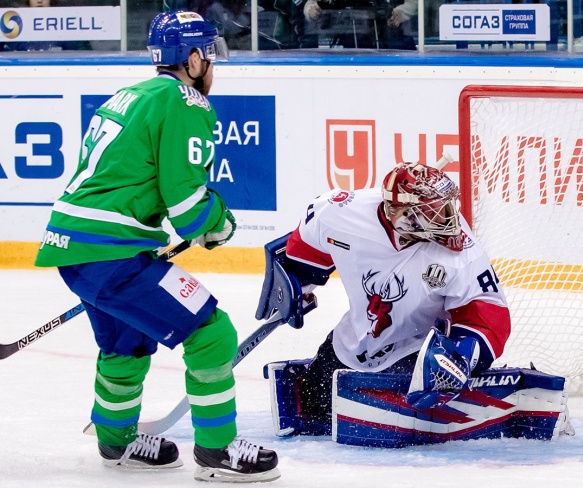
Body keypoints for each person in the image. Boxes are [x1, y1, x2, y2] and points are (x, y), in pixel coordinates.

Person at [34, 11, 279, 483]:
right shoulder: (185, 101)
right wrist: (218, 225)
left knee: (126, 344)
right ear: (191, 58)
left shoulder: (133, 94)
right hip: (111, 251)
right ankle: (217, 452)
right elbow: (186, 205)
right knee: (212, 333)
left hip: (76, 246)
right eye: (209, 55)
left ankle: (117, 439)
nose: (212, 67)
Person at [268, 162, 512, 426]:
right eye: (433, 211)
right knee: (312, 407)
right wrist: (296, 285)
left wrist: (461, 357)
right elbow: (305, 248)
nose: (447, 217)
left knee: (392, 424)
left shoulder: (463, 253)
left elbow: (488, 317)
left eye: (446, 206)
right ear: (400, 211)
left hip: (417, 358)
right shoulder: (340, 212)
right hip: (352, 343)